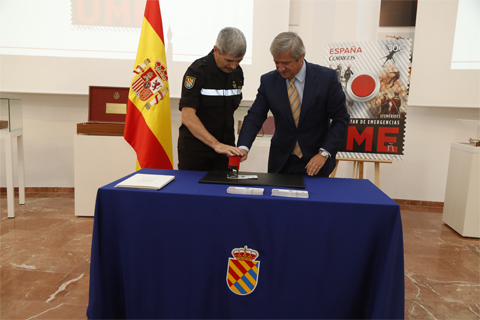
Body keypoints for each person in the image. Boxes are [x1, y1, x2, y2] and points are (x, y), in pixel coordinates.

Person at [237, 32, 350, 177]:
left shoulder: (326, 79)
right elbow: (255, 116)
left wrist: (324, 153)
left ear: (301, 56)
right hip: (281, 162)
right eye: (276, 62)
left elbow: (341, 119)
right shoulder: (268, 81)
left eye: (286, 63)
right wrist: (243, 146)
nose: (280, 68)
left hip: (316, 161)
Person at [177, 27, 246, 171]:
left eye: (238, 61)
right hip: (196, 152)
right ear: (216, 50)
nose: (233, 66)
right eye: (229, 60)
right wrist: (215, 144)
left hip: (226, 151)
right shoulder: (197, 72)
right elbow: (188, 116)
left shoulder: (237, 73)